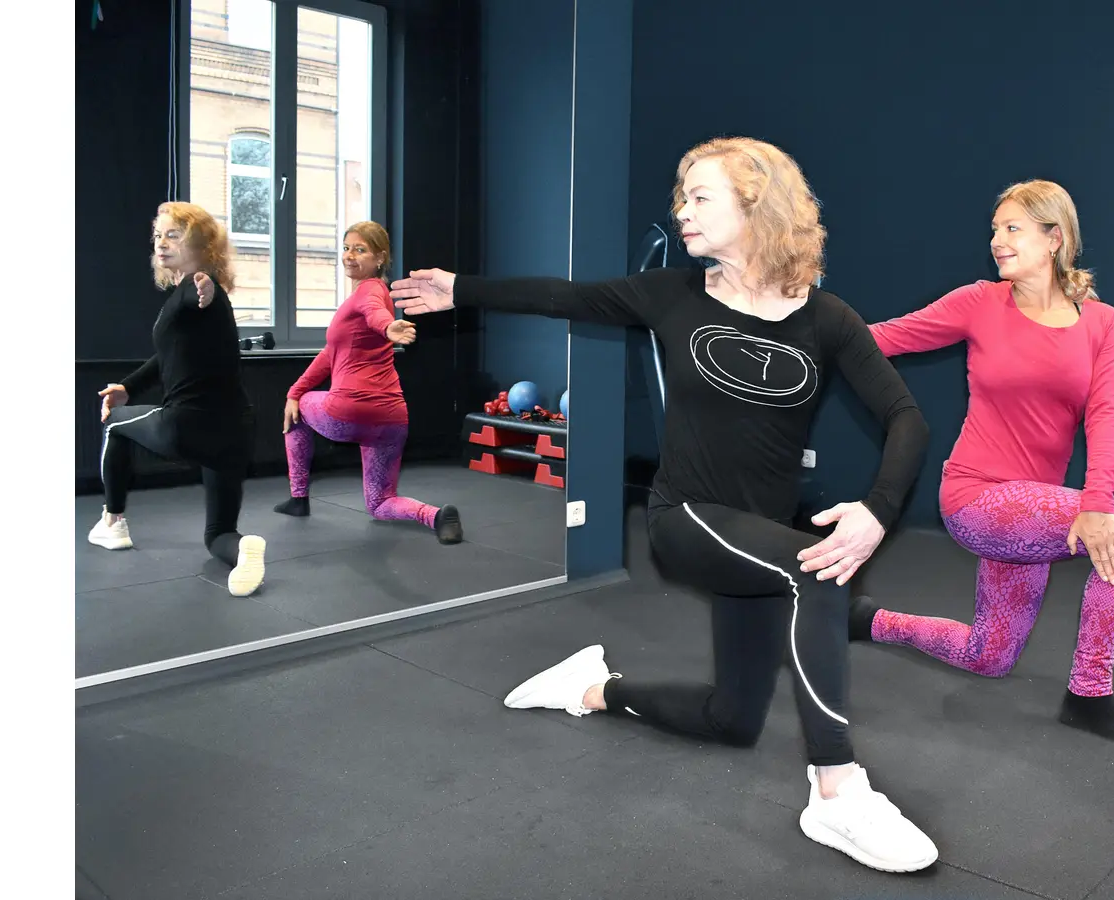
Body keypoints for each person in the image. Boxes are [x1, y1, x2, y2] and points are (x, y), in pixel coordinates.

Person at [390, 137, 939, 872]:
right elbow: (562, 295)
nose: (681, 211)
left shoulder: (827, 320)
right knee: (818, 570)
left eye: (699, 196)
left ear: (756, 204)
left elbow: (908, 420)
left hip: (755, 538)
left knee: (732, 719)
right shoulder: (670, 296)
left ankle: (588, 689)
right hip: (683, 520)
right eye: (681, 197)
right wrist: (460, 289)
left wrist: (876, 509)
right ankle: (836, 792)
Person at [848, 180, 1114, 746]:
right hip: (977, 497)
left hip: (1032, 510)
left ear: (1054, 238)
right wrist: (784, 333)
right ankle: (1089, 695)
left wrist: (1094, 503)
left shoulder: (1101, 322)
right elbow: (881, 339)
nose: (996, 240)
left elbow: (1105, 418)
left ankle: (869, 620)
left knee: (988, 656)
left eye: (1012, 228)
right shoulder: (979, 302)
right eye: (995, 229)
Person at [88, 201, 268, 598]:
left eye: (174, 235)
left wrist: (202, 288)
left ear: (202, 245)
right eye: (158, 235)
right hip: (235, 433)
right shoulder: (199, 299)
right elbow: (166, 355)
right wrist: (129, 387)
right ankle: (243, 551)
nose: (162, 243)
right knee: (217, 533)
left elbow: (197, 296)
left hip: (186, 427)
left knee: (115, 423)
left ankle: (112, 522)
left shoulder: (198, 288)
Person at [272, 221, 462, 544]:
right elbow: (330, 355)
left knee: (298, 411)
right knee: (380, 502)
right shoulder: (363, 296)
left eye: (360, 250)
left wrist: (388, 328)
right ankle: (436, 516)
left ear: (379, 258)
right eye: (346, 248)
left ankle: (299, 497)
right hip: (391, 420)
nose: (349, 256)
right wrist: (295, 390)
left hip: (347, 412)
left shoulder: (370, 291)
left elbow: (375, 314)